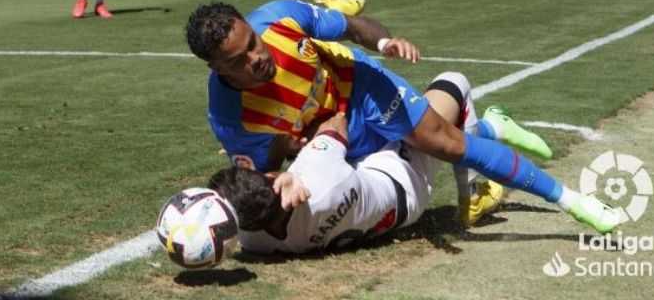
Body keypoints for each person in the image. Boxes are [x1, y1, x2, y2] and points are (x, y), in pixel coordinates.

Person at [185, 0, 619, 233]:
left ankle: (573, 202)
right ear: (216, 69)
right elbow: (261, 184)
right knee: (407, 157)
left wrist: (386, 41)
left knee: (444, 144)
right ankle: (490, 126)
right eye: (240, 60)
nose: (258, 58)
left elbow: (354, 28)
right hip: (335, 139)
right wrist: (281, 176)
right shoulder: (230, 121)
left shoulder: (279, 18)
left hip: (361, 89)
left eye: (254, 43)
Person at [209, 72, 539, 251]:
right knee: (454, 86)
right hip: (403, 177)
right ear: (273, 182)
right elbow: (335, 122)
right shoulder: (317, 174)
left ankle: (494, 128)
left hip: (377, 201)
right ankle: (472, 198)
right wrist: (281, 143)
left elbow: (243, 208)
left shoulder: (255, 239)